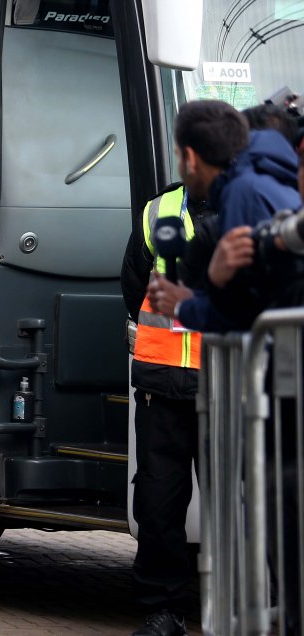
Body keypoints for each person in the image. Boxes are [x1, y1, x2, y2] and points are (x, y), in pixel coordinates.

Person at [121, 180, 211, 636]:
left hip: (228, 389)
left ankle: (254, 606)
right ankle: (163, 611)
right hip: (162, 386)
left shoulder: (253, 206)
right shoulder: (159, 211)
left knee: (242, 506)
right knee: (158, 504)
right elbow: (133, 286)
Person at [147, 100, 301, 330]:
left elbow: (246, 310)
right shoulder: (264, 180)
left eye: (178, 156)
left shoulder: (242, 191)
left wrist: (183, 304)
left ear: (190, 159)